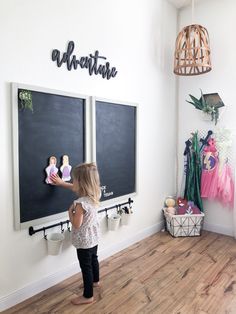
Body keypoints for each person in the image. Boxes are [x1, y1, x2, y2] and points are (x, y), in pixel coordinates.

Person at [50, 163, 101, 305]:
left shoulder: (79, 204)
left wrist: (69, 213)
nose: (73, 182)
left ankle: (88, 296)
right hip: (93, 237)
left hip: (83, 240)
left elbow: (77, 224)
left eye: (75, 179)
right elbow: (74, 187)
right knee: (94, 259)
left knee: (86, 267)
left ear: (81, 183)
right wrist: (61, 183)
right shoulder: (95, 193)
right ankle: (95, 281)